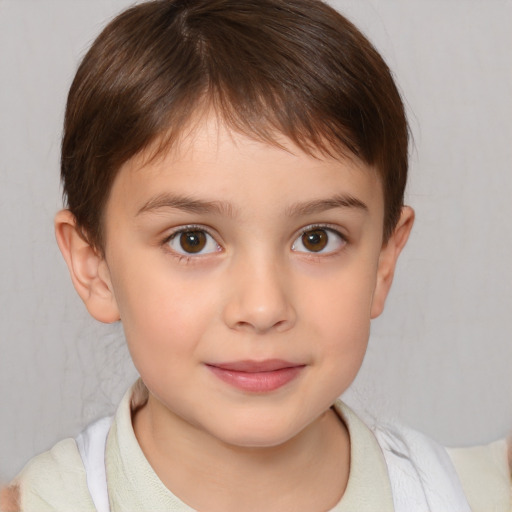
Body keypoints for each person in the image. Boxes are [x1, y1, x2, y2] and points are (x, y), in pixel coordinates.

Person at [2, 0, 510, 510]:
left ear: (383, 259)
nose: (263, 308)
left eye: (317, 238)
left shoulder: (486, 495)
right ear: (94, 267)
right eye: (192, 240)